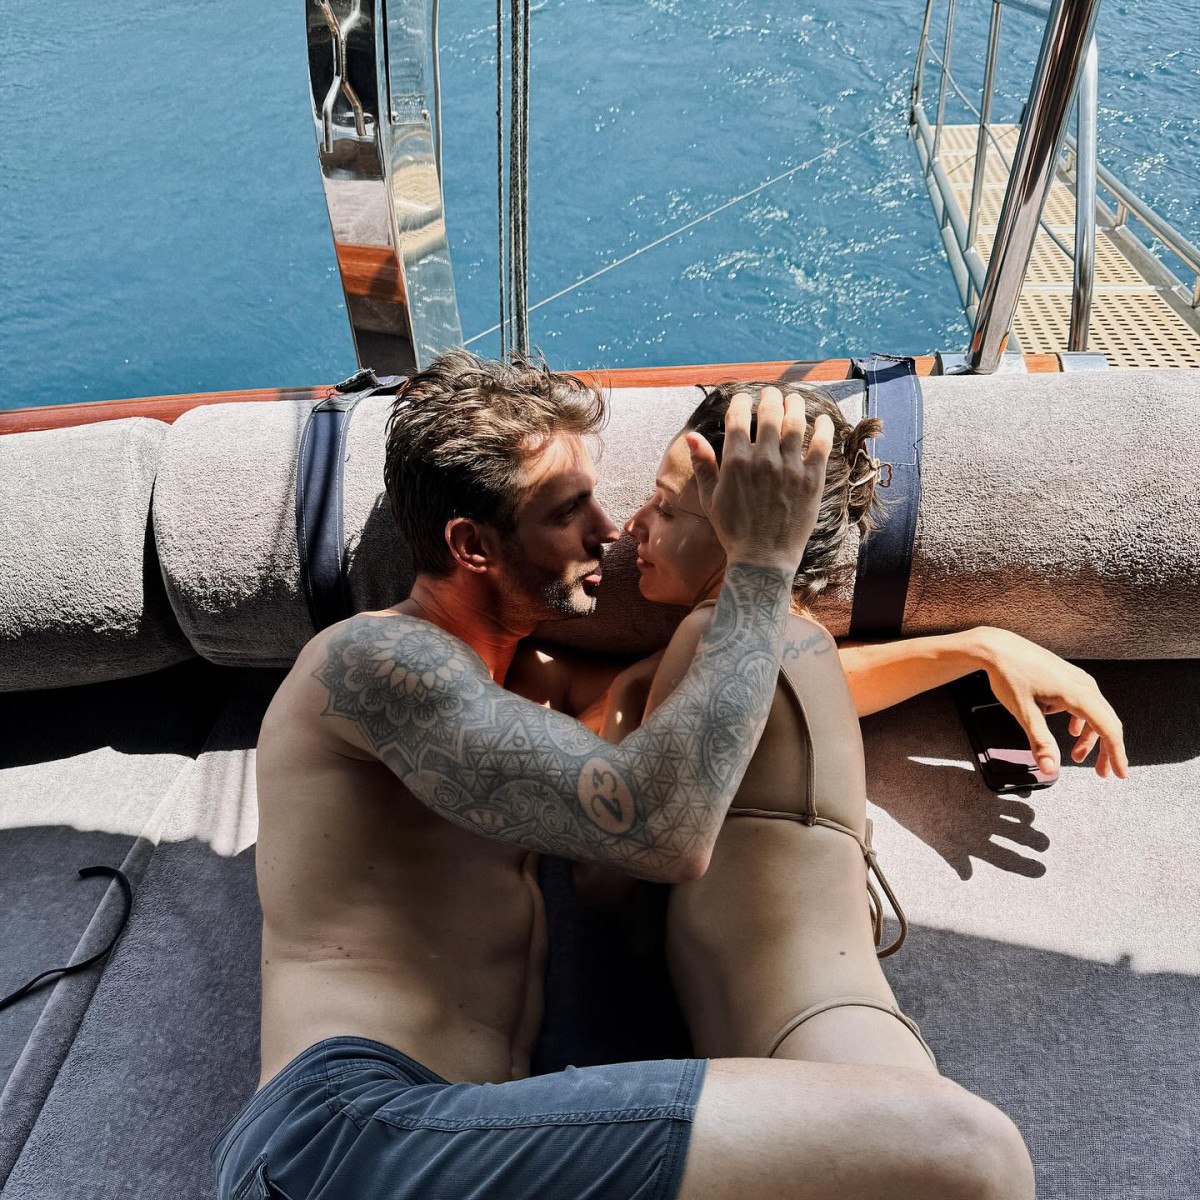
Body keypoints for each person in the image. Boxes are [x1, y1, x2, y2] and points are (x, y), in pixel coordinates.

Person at [209, 351, 1113, 1200]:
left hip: (473, 1142)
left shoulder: (524, 698)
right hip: (348, 1140)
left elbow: (737, 699)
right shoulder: (374, 662)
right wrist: (761, 561)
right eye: (569, 510)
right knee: (966, 1150)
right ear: (473, 546)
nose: (609, 532)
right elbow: (657, 825)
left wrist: (971, 647)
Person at [591, 379, 1126, 1090]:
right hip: (843, 1036)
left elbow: (608, 876)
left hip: (799, 1051)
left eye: (663, 506)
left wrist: (623, 704)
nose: (631, 525)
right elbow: (788, 671)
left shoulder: (715, 636)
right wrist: (976, 646)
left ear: (739, 521)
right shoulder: (797, 649)